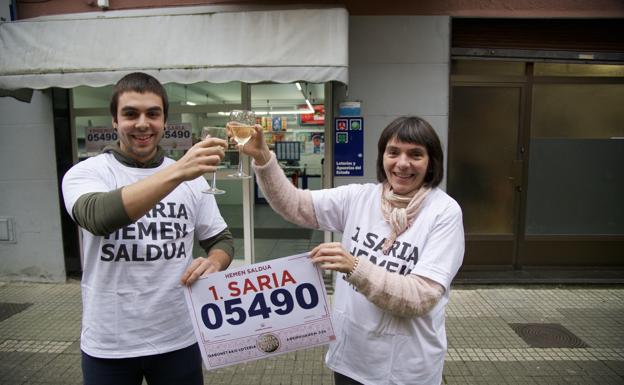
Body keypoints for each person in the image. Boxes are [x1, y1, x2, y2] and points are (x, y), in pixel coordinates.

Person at [239, 116, 464, 385]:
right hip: (351, 360)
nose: (402, 163)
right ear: (382, 157)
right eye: (393, 152)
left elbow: (421, 296)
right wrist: (264, 159)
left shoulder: (443, 212)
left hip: (406, 369)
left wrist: (355, 267)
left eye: (415, 154)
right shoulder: (360, 197)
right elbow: (294, 204)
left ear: (431, 163)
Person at [62, 72, 233, 385]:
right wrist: (179, 171)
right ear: (114, 121)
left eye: (153, 114)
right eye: (130, 114)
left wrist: (215, 262)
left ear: (164, 121)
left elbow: (220, 239)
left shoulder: (190, 179)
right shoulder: (86, 173)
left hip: (178, 337)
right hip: (109, 343)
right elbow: (97, 217)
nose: (142, 124)